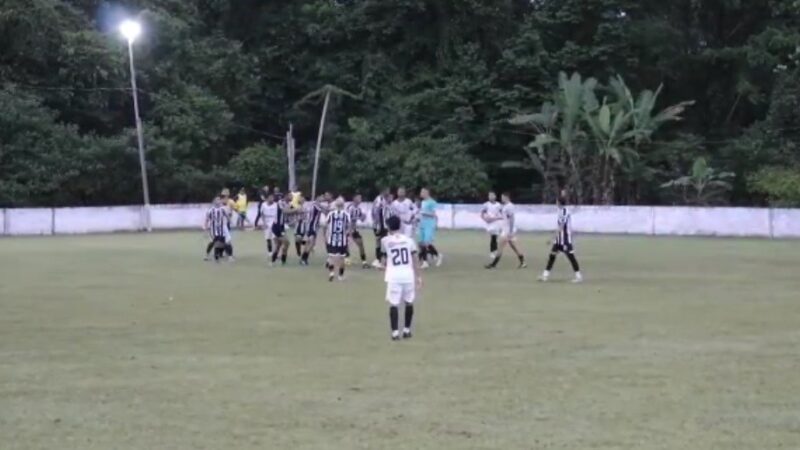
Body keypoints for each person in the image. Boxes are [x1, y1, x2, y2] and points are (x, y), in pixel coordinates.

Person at [382, 215, 423, 341]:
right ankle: (406, 330)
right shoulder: (409, 240)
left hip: (394, 276)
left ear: (389, 227)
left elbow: (383, 259)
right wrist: (419, 276)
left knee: (394, 304)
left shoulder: (385, 241)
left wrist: (381, 265)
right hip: (408, 275)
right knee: (409, 302)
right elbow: (415, 259)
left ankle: (395, 332)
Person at [539, 191, 583, 283]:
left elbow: (561, 226)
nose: (555, 203)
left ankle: (578, 276)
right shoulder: (560, 211)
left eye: (556, 201)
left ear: (558, 202)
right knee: (552, 256)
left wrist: (551, 238)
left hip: (565, 240)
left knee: (571, 257)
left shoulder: (564, 212)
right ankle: (545, 275)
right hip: (559, 240)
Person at [485, 192, 526, 269]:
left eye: (502, 197)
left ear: (506, 197)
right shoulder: (506, 206)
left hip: (507, 231)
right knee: (514, 247)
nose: (501, 199)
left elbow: (512, 218)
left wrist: (510, 231)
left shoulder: (509, 206)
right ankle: (523, 262)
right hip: (508, 230)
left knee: (500, 247)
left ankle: (493, 265)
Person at [324, 197, 351, 282]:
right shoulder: (346, 214)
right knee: (342, 258)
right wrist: (347, 235)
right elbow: (349, 227)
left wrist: (325, 235)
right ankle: (340, 276)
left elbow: (325, 225)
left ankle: (331, 272)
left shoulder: (330, 214)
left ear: (335, 205)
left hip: (332, 239)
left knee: (331, 257)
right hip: (342, 240)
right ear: (343, 205)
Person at [418, 188, 442, 268]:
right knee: (421, 243)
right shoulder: (423, 202)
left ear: (427, 193)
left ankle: (435, 257)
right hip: (422, 224)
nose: (421, 193)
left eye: (422, 192)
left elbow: (434, 214)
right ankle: (425, 260)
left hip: (429, 224)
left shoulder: (432, 202)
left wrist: (424, 213)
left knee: (426, 243)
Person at [204, 197, 233, 262]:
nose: (219, 201)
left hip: (222, 229)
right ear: (214, 202)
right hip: (213, 229)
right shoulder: (210, 211)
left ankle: (229, 256)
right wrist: (205, 228)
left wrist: (230, 222)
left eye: (219, 200)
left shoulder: (223, 209)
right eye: (217, 200)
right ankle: (207, 255)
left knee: (226, 242)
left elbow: (228, 217)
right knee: (212, 242)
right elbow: (206, 220)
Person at [270, 192, 294, 266]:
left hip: (282, 226)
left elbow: (292, 211)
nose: (292, 197)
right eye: (290, 196)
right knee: (286, 242)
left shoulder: (289, 204)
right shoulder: (281, 202)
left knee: (279, 245)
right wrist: (296, 210)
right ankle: (282, 261)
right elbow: (285, 211)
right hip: (277, 226)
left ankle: (274, 261)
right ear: (286, 196)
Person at [346, 194, 370, 268]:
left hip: (354, 229)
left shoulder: (358, 209)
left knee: (360, 243)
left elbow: (361, 219)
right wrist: (349, 232)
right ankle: (346, 259)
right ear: (354, 199)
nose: (360, 200)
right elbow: (347, 219)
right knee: (345, 245)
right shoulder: (350, 208)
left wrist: (364, 216)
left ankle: (364, 262)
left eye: (361, 198)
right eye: (359, 198)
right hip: (347, 229)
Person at [300, 195, 324, 266]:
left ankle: (303, 258)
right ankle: (304, 259)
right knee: (311, 243)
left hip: (314, 226)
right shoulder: (315, 206)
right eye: (321, 197)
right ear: (317, 198)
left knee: (310, 243)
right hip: (311, 226)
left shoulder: (316, 205)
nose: (322, 198)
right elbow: (323, 210)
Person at [371, 189, 391, 268]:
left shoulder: (385, 200)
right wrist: (378, 225)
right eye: (387, 190)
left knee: (381, 241)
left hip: (384, 224)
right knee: (381, 240)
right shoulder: (380, 200)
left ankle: (380, 259)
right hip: (380, 224)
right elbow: (376, 212)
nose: (388, 192)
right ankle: (379, 259)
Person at [481, 192, 504, 261]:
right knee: (493, 237)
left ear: (495, 196)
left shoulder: (499, 205)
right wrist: (486, 219)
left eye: (492, 195)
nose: (490, 197)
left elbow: (502, 214)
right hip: (490, 224)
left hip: (497, 223)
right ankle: (493, 252)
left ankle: (494, 251)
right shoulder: (486, 205)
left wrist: (498, 218)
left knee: (495, 238)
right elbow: (482, 214)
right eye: (489, 196)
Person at [259, 193, 278, 258]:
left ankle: (276, 252)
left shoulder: (276, 205)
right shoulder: (263, 205)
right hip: (267, 222)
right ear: (267, 198)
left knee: (275, 238)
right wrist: (264, 223)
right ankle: (270, 252)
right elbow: (262, 214)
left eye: (272, 197)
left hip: (274, 222)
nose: (272, 199)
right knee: (268, 238)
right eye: (270, 197)